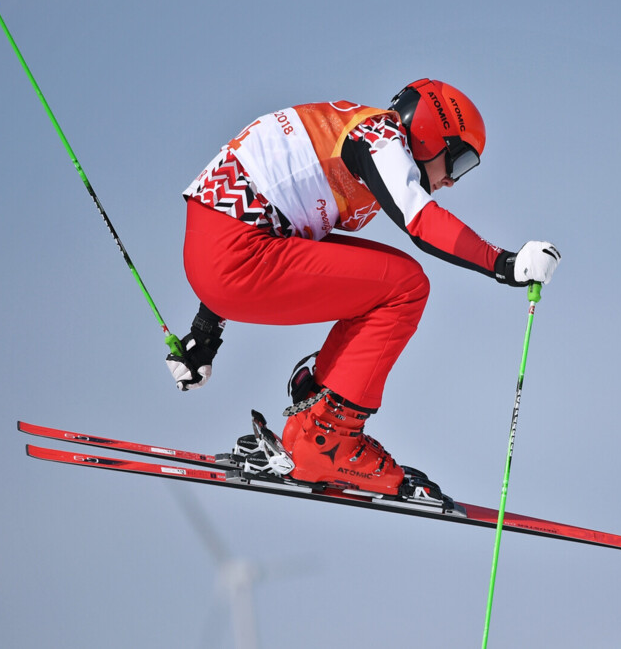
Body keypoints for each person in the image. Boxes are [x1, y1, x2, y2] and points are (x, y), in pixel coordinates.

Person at [167, 79, 560, 497]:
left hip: (218, 250)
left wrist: (206, 332)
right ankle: (328, 444)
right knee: (404, 287)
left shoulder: (349, 131)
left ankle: (310, 431)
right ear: (429, 134)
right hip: (238, 256)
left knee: (381, 282)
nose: (452, 182)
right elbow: (421, 221)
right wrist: (506, 264)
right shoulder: (379, 137)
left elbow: (260, 202)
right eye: (458, 162)